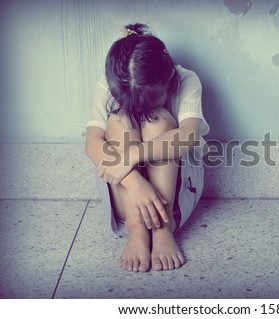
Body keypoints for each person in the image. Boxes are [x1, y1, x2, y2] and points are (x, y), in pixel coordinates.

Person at [85, 23, 209, 272]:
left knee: (158, 120)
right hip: (125, 189)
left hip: (173, 194)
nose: (140, 109)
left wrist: (134, 154)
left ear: (170, 77)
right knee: (120, 119)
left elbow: (189, 135)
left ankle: (163, 230)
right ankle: (136, 230)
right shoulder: (107, 84)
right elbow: (92, 144)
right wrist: (133, 181)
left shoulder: (186, 79)